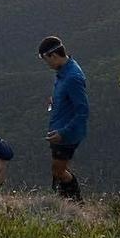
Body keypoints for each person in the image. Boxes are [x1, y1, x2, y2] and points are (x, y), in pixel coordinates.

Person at [39, 35, 88, 201]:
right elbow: (69, 100)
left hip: (66, 134)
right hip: (59, 129)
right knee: (58, 169)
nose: (48, 65)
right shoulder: (63, 71)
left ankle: (75, 202)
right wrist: (56, 101)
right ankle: (63, 201)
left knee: (59, 170)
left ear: (53, 56)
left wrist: (63, 133)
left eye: (47, 60)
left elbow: (82, 111)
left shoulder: (73, 77)